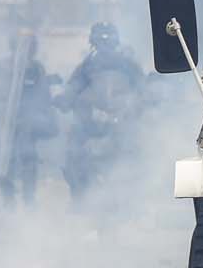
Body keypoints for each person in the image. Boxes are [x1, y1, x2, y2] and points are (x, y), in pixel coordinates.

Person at [59, 22, 142, 204]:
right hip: (91, 125)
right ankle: (79, 197)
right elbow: (71, 90)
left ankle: (136, 198)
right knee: (72, 154)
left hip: (121, 123)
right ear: (94, 43)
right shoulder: (85, 68)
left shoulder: (129, 66)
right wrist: (63, 99)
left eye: (108, 43)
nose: (105, 48)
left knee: (139, 151)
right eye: (101, 42)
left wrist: (139, 104)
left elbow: (142, 91)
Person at [0, 31, 59, 209]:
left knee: (29, 158)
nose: (29, 49)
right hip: (8, 121)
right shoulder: (5, 66)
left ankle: (28, 198)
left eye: (31, 46)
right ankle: (8, 198)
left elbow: (42, 94)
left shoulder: (37, 67)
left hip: (29, 122)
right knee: (6, 161)